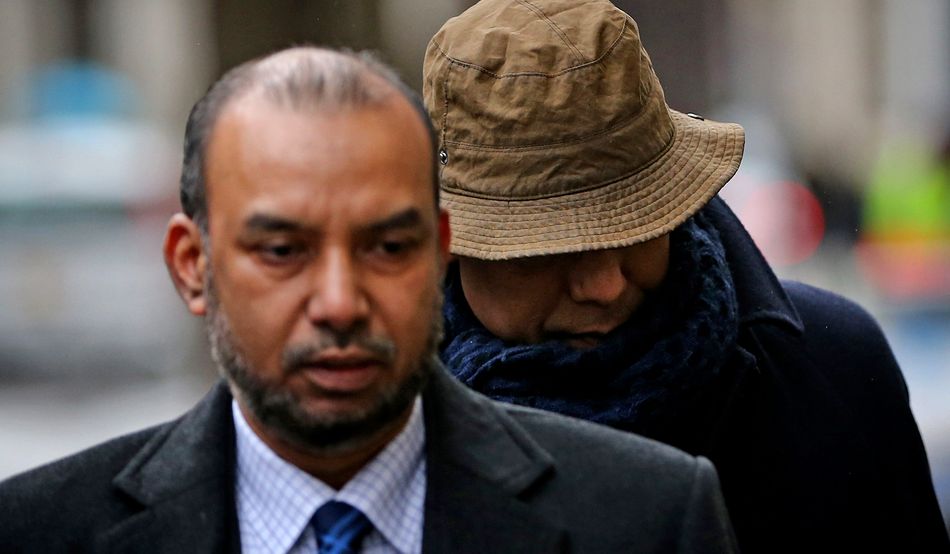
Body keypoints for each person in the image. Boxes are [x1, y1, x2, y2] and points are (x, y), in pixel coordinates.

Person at [0, 47, 739, 553]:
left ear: (441, 249)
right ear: (193, 267)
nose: (339, 301)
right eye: (282, 251)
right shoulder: (39, 532)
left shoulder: (646, 518)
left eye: (387, 247)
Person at [422, 1, 950, 552]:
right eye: (546, 250)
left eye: (637, 226)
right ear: (448, 245)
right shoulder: (373, 427)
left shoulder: (831, 372)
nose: (604, 285)